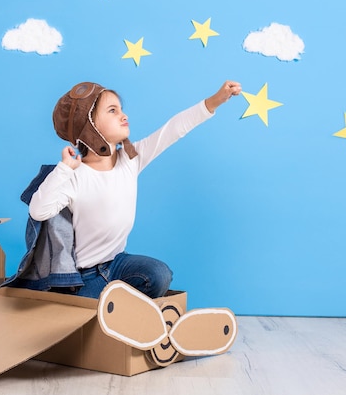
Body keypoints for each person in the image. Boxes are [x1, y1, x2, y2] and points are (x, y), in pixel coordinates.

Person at [26, 80, 242, 299]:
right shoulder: (75, 176)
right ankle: (102, 307)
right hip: (86, 276)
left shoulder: (130, 160)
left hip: (117, 264)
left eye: (121, 109)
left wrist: (215, 101)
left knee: (158, 274)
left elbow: (173, 130)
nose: (124, 115)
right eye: (113, 111)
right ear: (89, 124)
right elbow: (38, 211)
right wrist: (63, 169)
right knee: (86, 312)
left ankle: (117, 307)